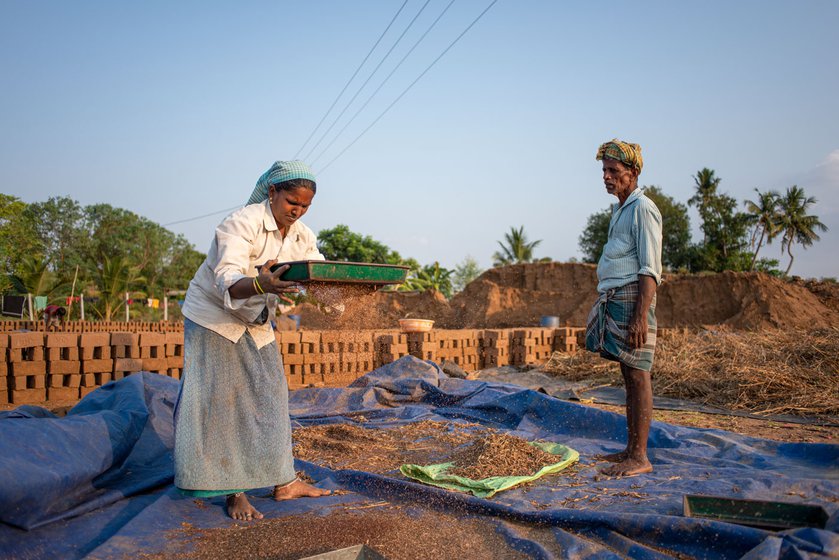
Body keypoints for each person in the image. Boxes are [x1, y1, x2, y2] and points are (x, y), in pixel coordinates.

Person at [174, 160, 331, 521]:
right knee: (224, 400)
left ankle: (284, 482)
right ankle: (234, 492)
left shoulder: (300, 234)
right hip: (214, 318)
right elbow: (228, 279)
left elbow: (316, 270)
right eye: (293, 201)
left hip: (256, 318)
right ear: (272, 192)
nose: (298, 210)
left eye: (306, 206)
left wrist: (345, 290)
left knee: (272, 394)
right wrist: (262, 283)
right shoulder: (240, 223)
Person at [585, 139, 663, 477]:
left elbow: (650, 269)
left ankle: (640, 457)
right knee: (627, 374)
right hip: (617, 297)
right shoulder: (620, 210)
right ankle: (631, 450)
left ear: (632, 173)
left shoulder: (643, 208)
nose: (606, 176)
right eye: (604, 170)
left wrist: (640, 317)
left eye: (613, 171)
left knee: (638, 373)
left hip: (634, 297)